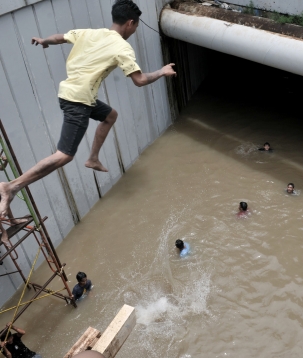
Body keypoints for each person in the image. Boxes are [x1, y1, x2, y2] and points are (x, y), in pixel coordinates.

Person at [0, 0, 177, 219]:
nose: (134, 31)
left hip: (69, 94)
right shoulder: (122, 48)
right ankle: (12, 186)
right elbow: (139, 80)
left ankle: (93, 158)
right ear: (130, 23)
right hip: (79, 102)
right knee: (64, 156)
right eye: (136, 26)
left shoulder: (90, 33)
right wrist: (161, 71)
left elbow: (61, 37)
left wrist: (45, 40)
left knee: (110, 115)